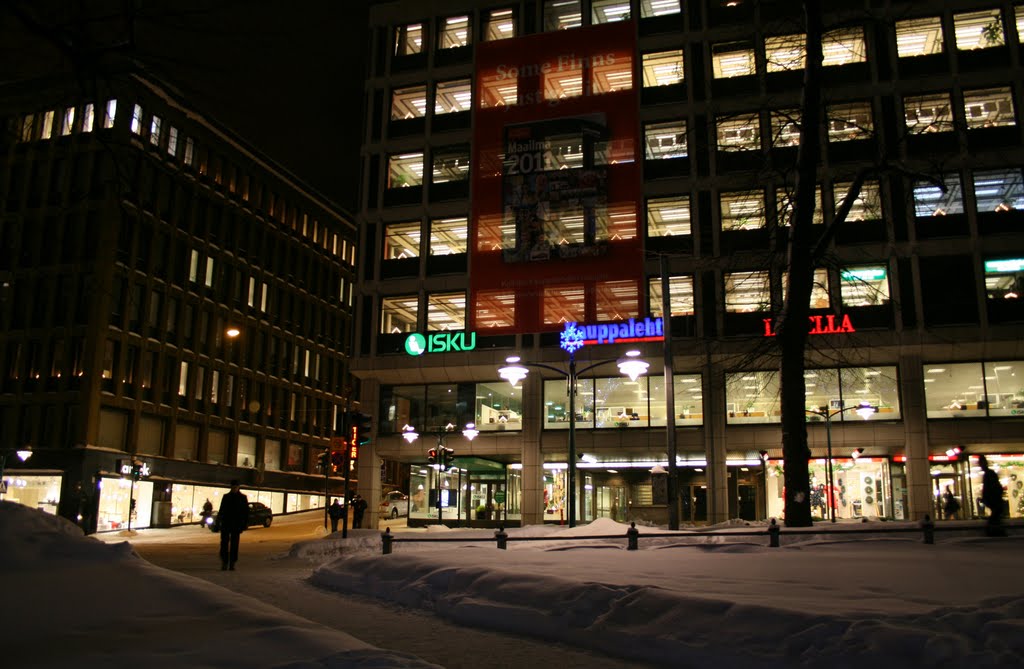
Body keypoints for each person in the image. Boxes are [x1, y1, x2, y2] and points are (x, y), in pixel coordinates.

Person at [217, 480, 249, 570]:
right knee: (224, 544)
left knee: (234, 544)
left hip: (236, 524)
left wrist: (244, 524)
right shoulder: (226, 497)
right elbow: (221, 510)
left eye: (236, 487)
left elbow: (245, 512)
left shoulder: (242, 498)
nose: (234, 488)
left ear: (238, 487)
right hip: (226, 523)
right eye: (233, 486)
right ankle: (224, 562)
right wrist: (218, 522)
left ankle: (232, 562)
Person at [979, 455, 1006, 537]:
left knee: (995, 515)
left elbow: (988, 488)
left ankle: (994, 530)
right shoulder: (990, 474)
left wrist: (985, 498)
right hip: (994, 498)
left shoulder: (989, 474)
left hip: (993, 498)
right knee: (996, 515)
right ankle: (997, 530)